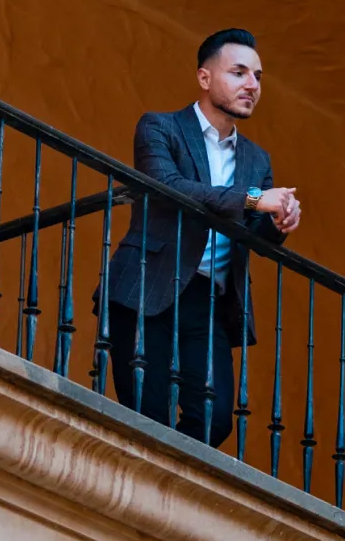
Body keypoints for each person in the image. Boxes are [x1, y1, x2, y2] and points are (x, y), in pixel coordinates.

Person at [100, 28, 301, 446]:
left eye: (258, 77)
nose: (252, 85)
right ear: (205, 78)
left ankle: (169, 478)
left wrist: (279, 221)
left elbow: (252, 230)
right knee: (144, 411)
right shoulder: (160, 128)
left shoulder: (256, 158)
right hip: (147, 285)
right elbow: (168, 187)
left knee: (215, 419)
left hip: (210, 300)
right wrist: (253, 200)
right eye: (239, 72)